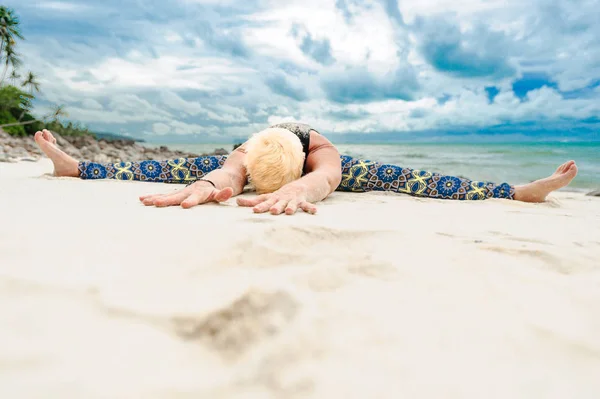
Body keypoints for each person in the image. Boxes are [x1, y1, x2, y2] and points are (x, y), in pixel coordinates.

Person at [33, 122, 578, 215]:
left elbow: (328, 177)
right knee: (167, 170)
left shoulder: (317, 148)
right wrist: (216, 182)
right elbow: (228, 172)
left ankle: (516, 190)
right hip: (255, 158)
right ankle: (74, 167)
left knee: (417, 179)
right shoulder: (247, 151)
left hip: (318, 163)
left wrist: (307, 186)